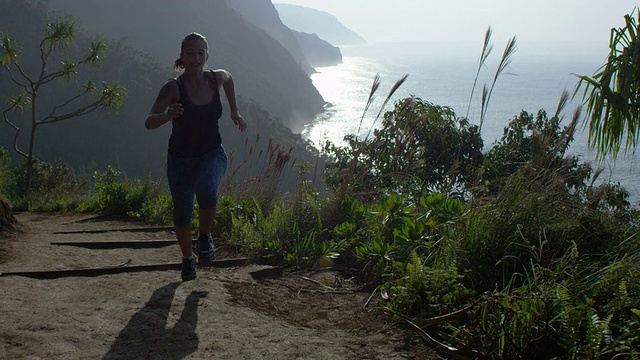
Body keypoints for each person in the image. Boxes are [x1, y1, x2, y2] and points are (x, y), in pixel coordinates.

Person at [145, 32, 246, 281]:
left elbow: (230, 78)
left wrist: (234, 111)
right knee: (182, 213)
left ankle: (204, 237)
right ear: (182, 56)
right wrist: (167, 115)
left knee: (208, 187)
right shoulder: (173, 87)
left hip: (212, 153)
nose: (196, 57)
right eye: (190, 52)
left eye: (201, 52)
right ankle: (188, 259)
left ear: (207, 55)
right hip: (180, 159)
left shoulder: (215, 79)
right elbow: (149, 121)